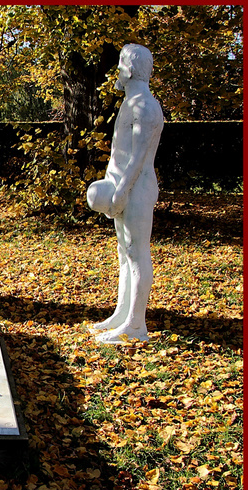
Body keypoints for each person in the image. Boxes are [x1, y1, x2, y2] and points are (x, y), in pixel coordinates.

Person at [85, 44, 164, 344]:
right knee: (124, 253)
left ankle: (135, 324)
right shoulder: (131, 103)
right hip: (124, 186)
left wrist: (120, 193)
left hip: (136, 189)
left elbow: (139, 156)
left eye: (120, 64)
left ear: (130, 69)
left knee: (137, 253)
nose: (116, 70)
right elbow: (119, 155)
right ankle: (122, 314)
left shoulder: (144, 105)